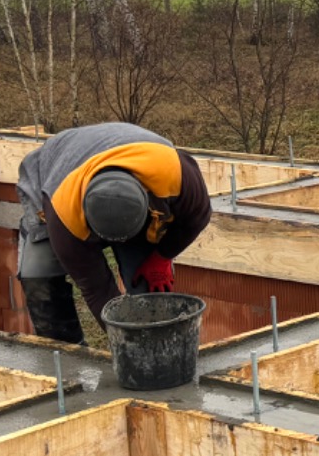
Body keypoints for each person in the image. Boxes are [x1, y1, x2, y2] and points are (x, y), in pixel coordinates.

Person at [14, 122, 211, 345]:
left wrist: (161, 257)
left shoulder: (176, 174)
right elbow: (96, 289)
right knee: (39, 279)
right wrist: (126, 344)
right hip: (53, 174)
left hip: (140, 163)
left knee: (147, 286)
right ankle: (65, 360)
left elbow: (197, 218)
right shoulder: (64, 214)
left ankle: (156, 342)